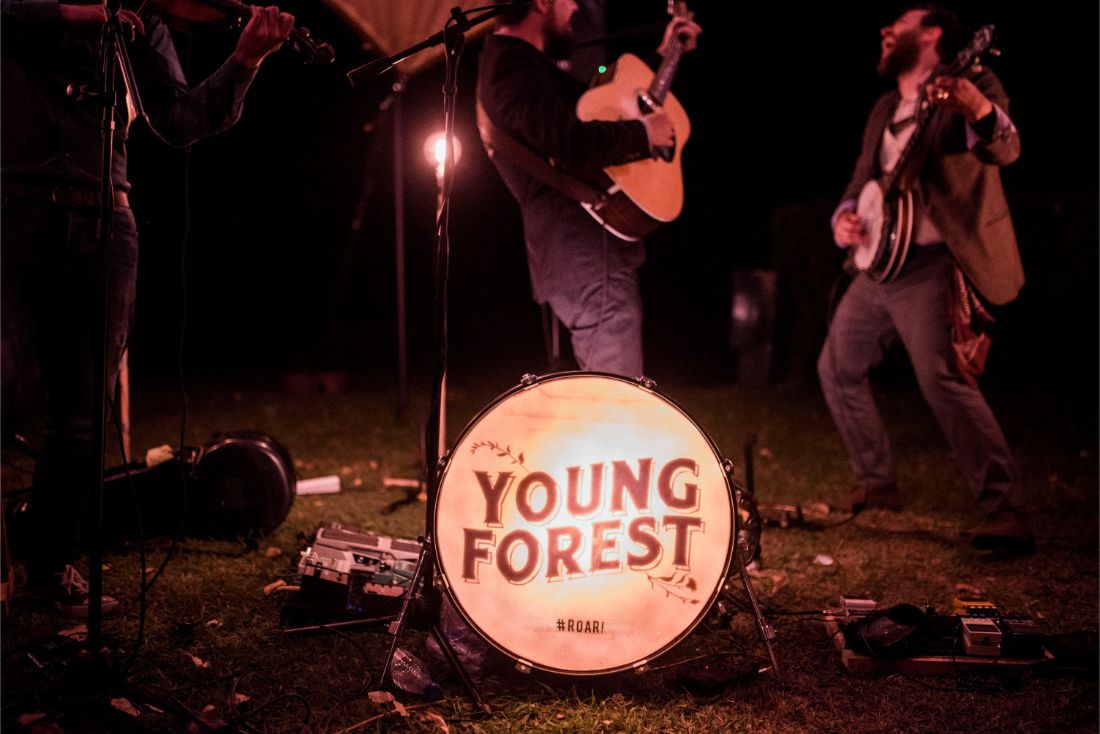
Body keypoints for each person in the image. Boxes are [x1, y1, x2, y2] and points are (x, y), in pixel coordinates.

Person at [1, 0, 296, 618]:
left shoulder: (141, 17)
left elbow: (178, 119)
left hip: (105, 214)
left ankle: (49, 570)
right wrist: (72, 16)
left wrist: (244, 61)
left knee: (81, 415)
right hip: (11, 207)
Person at [818, 5, 1032, 551]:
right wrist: (845, 216)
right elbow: (862, 178)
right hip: (878, 266)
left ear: (932, 34)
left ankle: (1004, 509)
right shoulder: (885, 108)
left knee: (942, 376)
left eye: (899, 25)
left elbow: (1005, 145)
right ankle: (877, 485)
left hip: (933, 264)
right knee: (837, 366)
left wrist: (978, 107)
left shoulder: (971, 81)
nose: (885, 30)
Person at [476, 0, 701, 377]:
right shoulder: (510, 68)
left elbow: (599, 108)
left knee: (612, 389)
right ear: (541, 3)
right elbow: (568, 141)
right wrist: (642, 134)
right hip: (579, 249)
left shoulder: (522, 66)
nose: (576, 6)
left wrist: (662, 57)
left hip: (587, 247)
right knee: (615, 394)